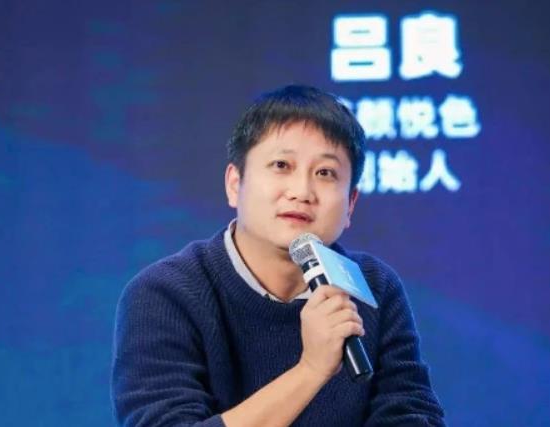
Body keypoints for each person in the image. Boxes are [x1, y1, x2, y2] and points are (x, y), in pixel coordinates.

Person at [111, 85, 446, 426]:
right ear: (234, 183)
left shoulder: (372, 287)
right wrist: (311, 370)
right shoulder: (164, 294)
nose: (302, 192)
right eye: (281, 165)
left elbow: (412, 415)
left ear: (351, 204)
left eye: (325, 173)